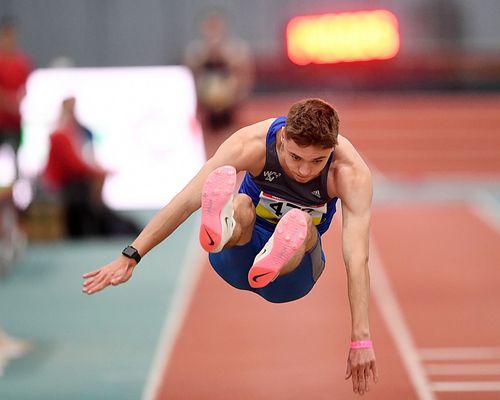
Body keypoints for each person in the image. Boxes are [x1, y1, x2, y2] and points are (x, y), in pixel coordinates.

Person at [82, 98, 378, 395]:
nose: (304, 171)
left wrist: (360, 339)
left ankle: (277, 251)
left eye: (317, 161)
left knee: (301, 225)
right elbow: (187, 200)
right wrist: (131, 254)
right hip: (236, 256)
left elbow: (357, 256)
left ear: (332, 149)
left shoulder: (349, 172)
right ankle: (225, 224)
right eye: (296, 157)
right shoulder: (252, 144)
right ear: (283, 138)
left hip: (292, 278)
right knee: (241, 203)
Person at [42, 97, 140, 238]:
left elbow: (80, 163)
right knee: (88, 195)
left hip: (74, 181)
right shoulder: (60, 134)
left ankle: (115, 226)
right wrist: (99, 171)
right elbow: (75, 166)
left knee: (93, 194)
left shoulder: (75, 133)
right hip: (66, 185)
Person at [185, 10, 254, 131]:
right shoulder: (195, 50)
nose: (213, 31)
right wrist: (208, 54)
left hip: (230, 97)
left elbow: (243, 73)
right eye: (210, 27)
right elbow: (190, 73)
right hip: (204, 95)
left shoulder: (237, 48)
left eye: (217, 27)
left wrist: (222, 54)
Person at [0, 16, 32, 181]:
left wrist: (17, 101)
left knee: (16, 164)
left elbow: (25, 89)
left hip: (14, 123)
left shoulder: (21, 62)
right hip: (1, 120)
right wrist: (8, 102)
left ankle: (16, 197)